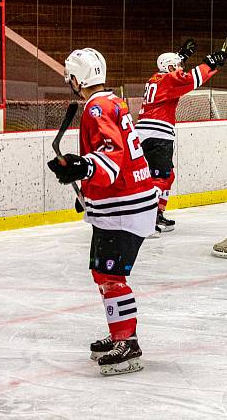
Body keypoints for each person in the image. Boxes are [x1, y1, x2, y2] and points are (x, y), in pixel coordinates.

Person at [46, 48, 156, 376]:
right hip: (123, 202)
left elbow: (112, 154)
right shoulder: (114, 101)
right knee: (103, 274)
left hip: (125, 206)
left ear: (78, 79)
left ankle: (127, 341)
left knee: (111, 276)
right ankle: (120, 332)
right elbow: (109, 157)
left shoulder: (96, 107)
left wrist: (83, 166)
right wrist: (84, 180)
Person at [135, 40, 227, 233]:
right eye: (176, 65)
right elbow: (189, 79)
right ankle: (147, 220)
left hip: (146, 132)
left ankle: (156, 212)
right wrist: (210, 62)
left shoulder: (156, 79)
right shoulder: (167, 80)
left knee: (166, 175)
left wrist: (182, 57)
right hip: (157, 134)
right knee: (160, 178)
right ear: (169, 68)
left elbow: (176, 74)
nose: (180, 68)